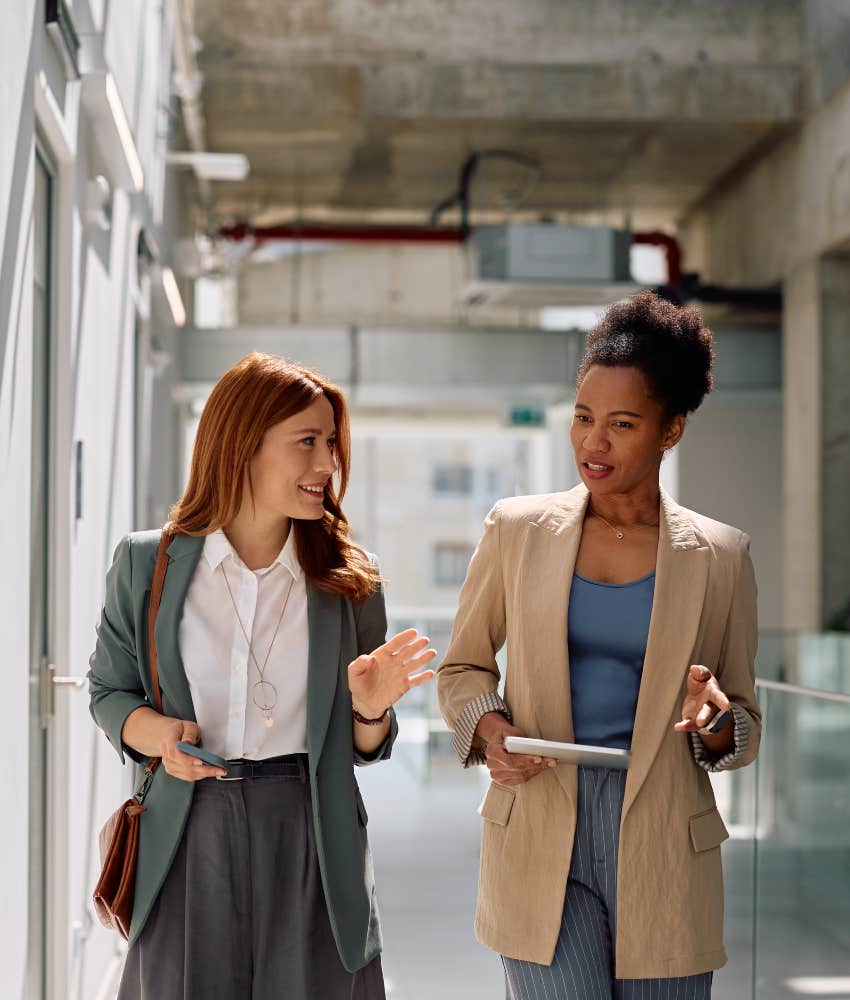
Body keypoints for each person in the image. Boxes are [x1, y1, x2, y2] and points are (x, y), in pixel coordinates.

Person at [437, 292, 761, 999]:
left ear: (670, 429)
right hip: (538, 821)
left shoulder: (722, 556)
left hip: (667, 841)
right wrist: (491, 731)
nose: (593, 443)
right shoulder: (516, 531)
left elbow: (741, 719)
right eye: (583, 418)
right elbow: (463, 666)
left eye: (622, 424)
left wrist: (712, 721)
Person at [89, 352, 435, 999]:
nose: (327, 464)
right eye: (307, 442)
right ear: (243, 443)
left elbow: (367, 747)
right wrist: (160, 734)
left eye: (331, 443)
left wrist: (368, 710)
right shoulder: (147, 564)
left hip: (309, 833)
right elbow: (109, 691)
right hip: (187, 835)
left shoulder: (350, 581)